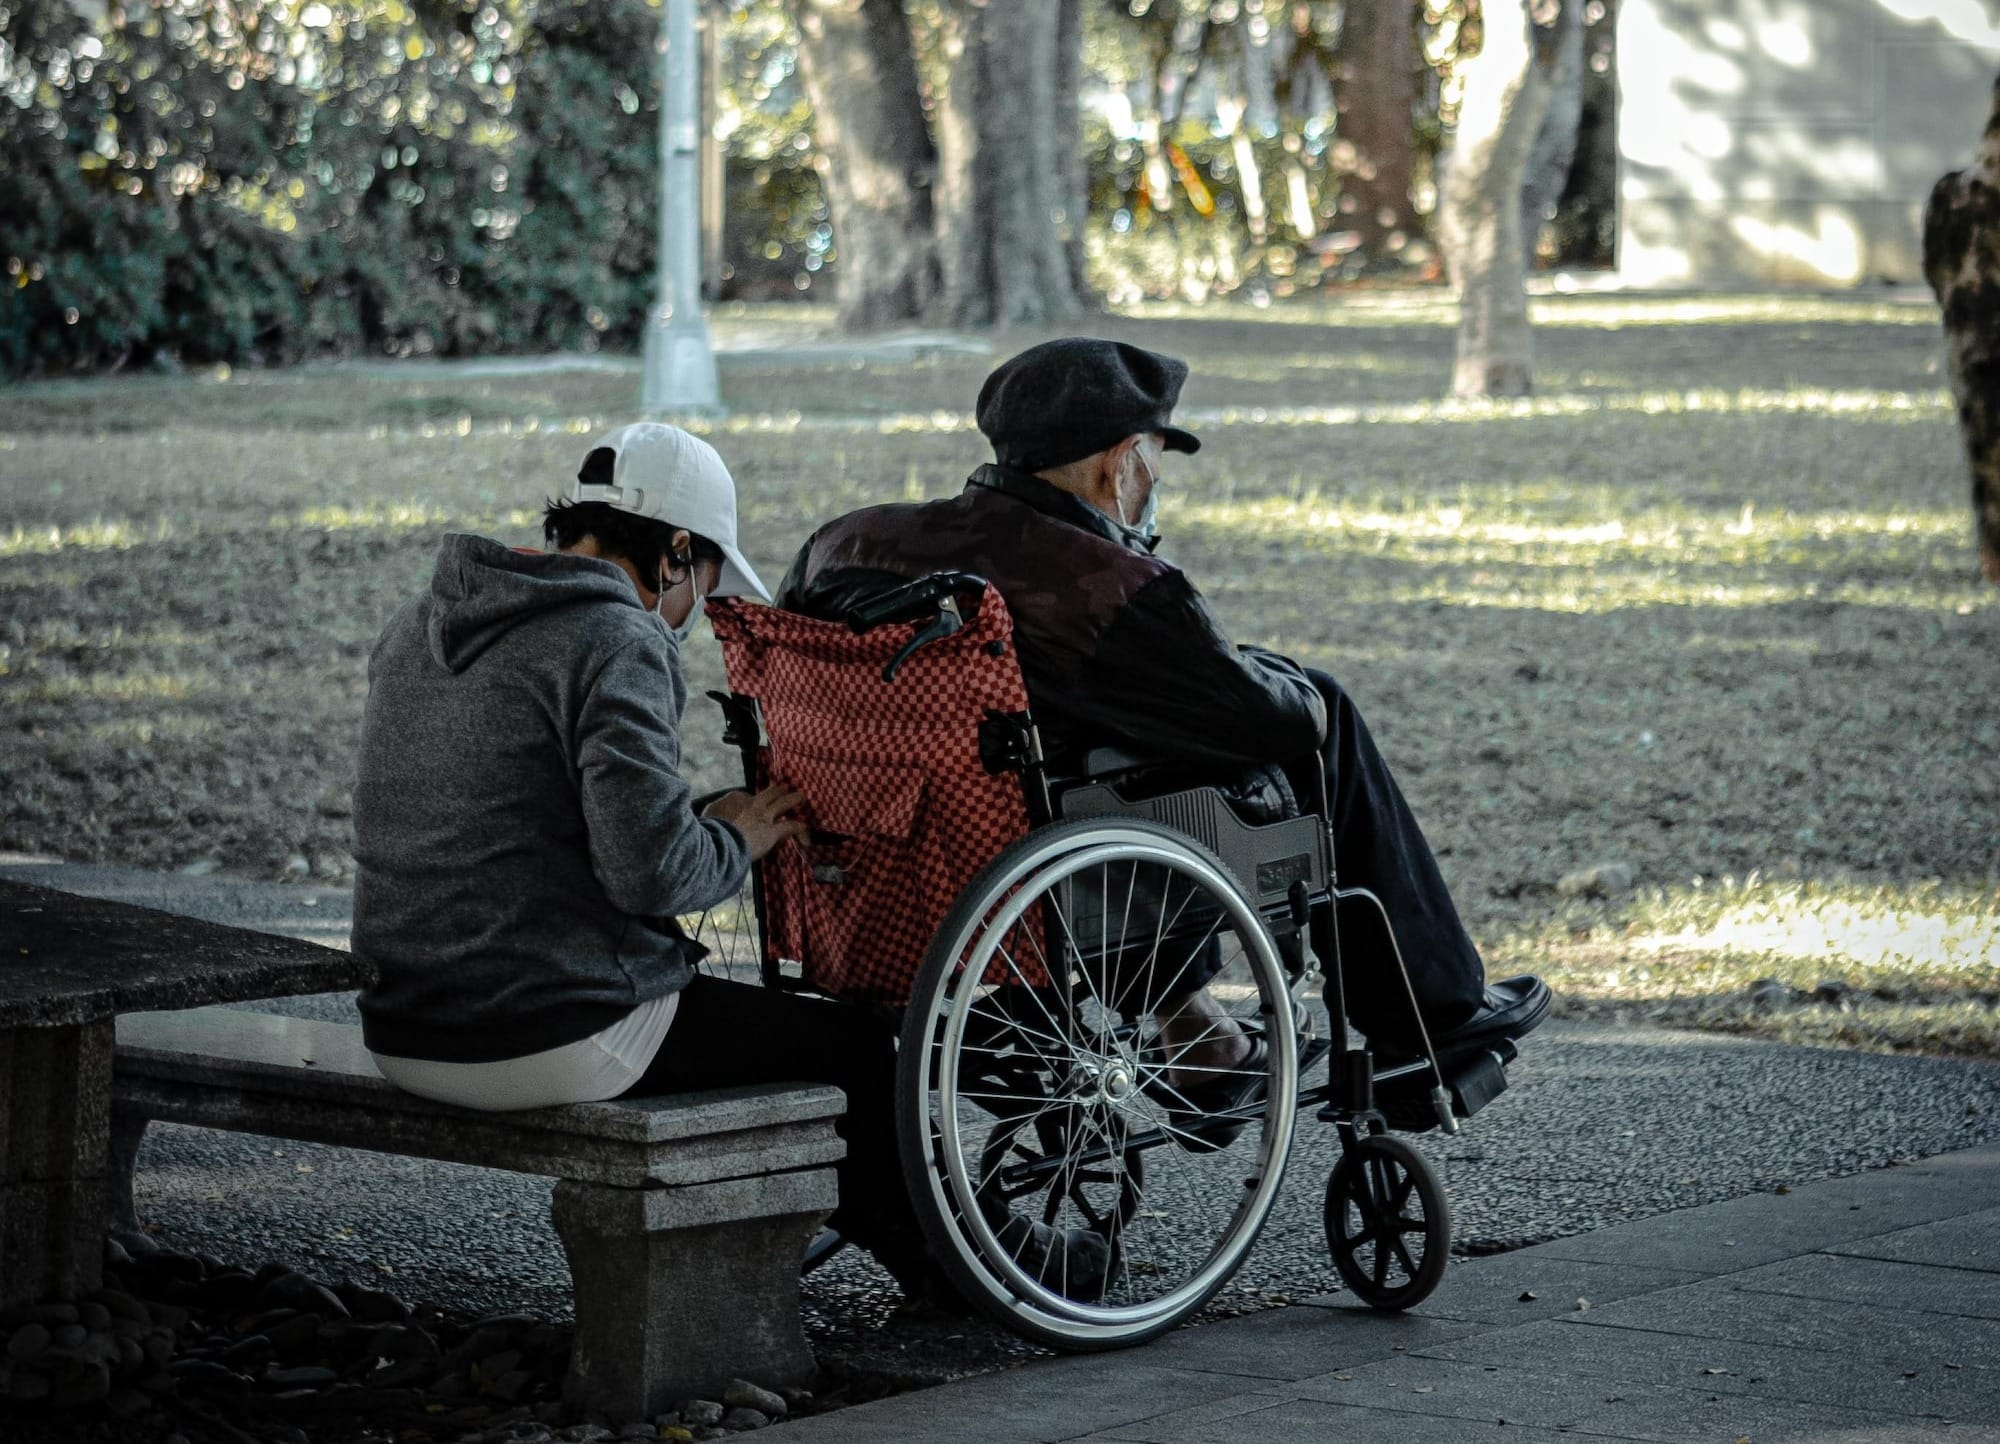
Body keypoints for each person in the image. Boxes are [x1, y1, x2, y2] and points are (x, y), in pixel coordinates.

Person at [349, 421, 1099, 1302]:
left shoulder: (427, 618)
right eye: (703, 580)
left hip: (402, 1023)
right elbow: (655, 879)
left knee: (800, 1045)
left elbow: (529, 813)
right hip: (543, 1029)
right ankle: (971, 1269)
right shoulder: (613, 636)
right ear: (673, 552)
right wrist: (737, 840)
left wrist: (709, 817)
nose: (698, 608)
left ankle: (923, 1245)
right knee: (856, 1051)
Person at [776, 338, 1550, 1068]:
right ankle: (1433, 1016)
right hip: (1052, 861)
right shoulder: (1108, 586)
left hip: (878, 855)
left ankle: (1201, 1032)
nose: (1155, 483)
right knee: (1325, 711)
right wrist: (1282, 680)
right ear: (1119, 465)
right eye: (1154, 459)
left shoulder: (844, 544)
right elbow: (1272, 722)